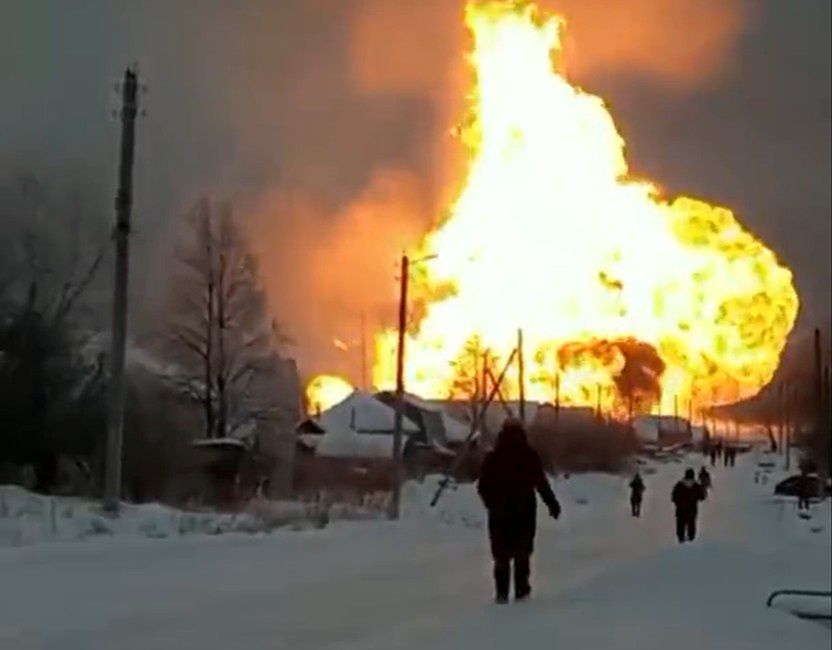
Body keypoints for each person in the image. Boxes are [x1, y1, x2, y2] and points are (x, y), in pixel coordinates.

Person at [477, 419, 560, 604]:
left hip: (500, 513)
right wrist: (552, 504)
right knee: (522, 553)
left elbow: (483, 486)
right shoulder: (529, 456)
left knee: (501, 555)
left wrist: (491, 503)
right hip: (524, 511)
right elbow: (541, 482)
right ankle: (521, 590)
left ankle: (502, 593)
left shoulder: (493, 458)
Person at [671, 468, 705, 543]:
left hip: (680, 509)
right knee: (691, 523)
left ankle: (681, 537)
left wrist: (678, 502)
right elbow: (702, 497)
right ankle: (691, 537)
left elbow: (673, 497)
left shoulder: (679, 485)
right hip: (692, 509)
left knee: (680, 523)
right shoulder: (696, 486)